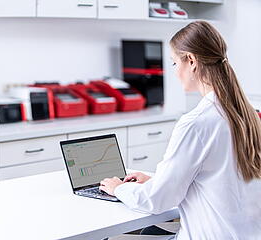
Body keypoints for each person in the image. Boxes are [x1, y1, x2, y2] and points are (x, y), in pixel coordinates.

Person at [100, 21, 261, 239]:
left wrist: (117, 188)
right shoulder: (248, 114)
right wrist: (156, 181)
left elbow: (157, 200)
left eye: (175, 63)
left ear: (192, 61)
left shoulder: (196, 123)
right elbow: (219, 180)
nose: (175, 72)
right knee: (151, 231)